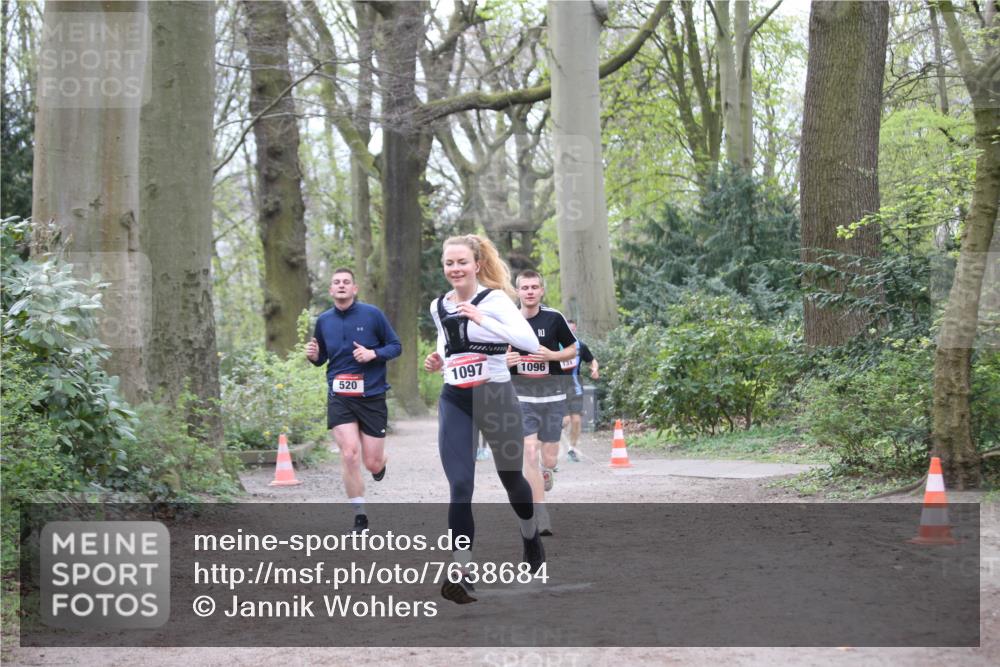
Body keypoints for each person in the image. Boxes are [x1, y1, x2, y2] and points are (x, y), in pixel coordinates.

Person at [424, 234, 545, 604]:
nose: (455, 269)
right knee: (460, 486)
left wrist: (483, 319)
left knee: (513, 481)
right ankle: (461, 570)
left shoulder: (494, 301)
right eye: (449, 263)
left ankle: (530, 536)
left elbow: (526, 342)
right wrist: (438, 360)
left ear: (477, 264)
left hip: (496, 397)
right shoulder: (438, 305)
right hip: (455, 399)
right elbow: (448, 344)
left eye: (462, 262)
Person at [306, 268, 401, 534]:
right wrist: (313, 356)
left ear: (354, 288)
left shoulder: (372, 315)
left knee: (371, 462)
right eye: (336, 283)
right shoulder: (324, 320)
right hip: (340, 396)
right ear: (330, 290)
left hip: (371, 395)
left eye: (346, 282)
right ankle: (360, 516)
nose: (341, 286)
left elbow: (396, 346)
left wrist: (373, 354)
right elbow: (321, 358)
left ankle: (380, 463)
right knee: (349, 454)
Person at [507, 270, 578, 536]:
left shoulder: (554, 318)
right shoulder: (508, 320)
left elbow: (572, 349)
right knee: (529, 452)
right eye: (524, 287)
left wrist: (553, 355)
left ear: (541, 291)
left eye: (534, 287)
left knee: (548, 458)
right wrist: (506, 362)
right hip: (522, 397)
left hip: (553, 396)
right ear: (517, 291)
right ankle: (541, 513)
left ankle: (547, 473)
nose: (529, 291)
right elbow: (495, 354)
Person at [561, 319, 600, 462]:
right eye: (567, 329)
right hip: (557, 388)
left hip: (575, 387)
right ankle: (551, 442)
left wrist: (595, 369)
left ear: (575, 330)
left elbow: (592, 360)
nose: (569, 332)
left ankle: (572, 449)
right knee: (564, 421)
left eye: (572, 330)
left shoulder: (580, 346)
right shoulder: (555, 345)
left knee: (576, 421)